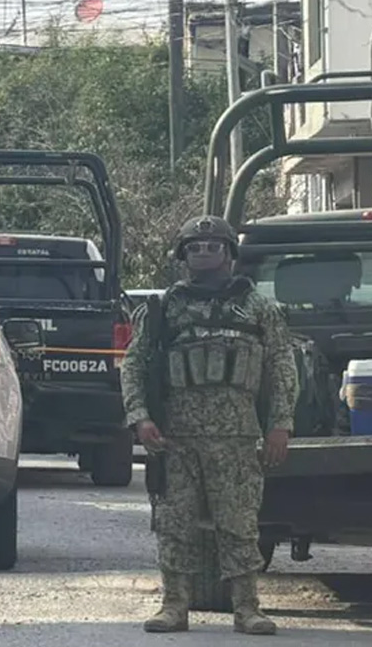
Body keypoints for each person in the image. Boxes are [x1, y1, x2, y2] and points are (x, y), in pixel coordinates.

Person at [120, 215, 298, 636]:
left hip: (237, 437)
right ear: (182, 256)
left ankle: (247, 608)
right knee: (174, 524)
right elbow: (135, 364)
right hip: (176, 438)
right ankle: (174, 605)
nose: (203, 253)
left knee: (239, 524)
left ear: (229, 254)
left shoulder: (259, 308)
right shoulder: (164, 309)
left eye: (212, 246)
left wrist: (280, 425)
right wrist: (140, 417)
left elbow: (281, 367)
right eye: (194, 247)